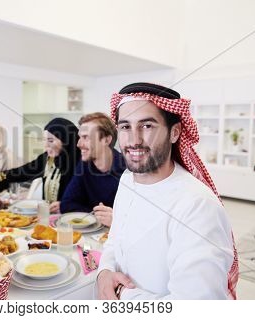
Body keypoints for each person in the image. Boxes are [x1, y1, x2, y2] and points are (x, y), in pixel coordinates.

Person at [97, 83, 238, 300]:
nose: (134, 140)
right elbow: (115, 239)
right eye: (125, 127)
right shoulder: (127, 180)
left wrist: (122, 293)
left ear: (174, 133)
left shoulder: (198, 206)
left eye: (147, 126)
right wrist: (104, 271)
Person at [0, 118, 80, 213]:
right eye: (45, 140)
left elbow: (89, 200)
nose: (46, 145)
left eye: (51, 140)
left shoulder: (82, 164)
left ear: (66, 141)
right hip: (48, 218)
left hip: (74, 223)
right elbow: (19, 173)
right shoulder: (47, 159)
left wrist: (66, 205)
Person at [60, 112, 126, 227]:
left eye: (85, 137)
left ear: (106, 140)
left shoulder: (128, 169)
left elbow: (140, 215)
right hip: (93, 236)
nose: (78, 144)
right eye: (80, 137)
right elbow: (66, 204)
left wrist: (116, 218)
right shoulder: (84, 165)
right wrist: (96, 214)